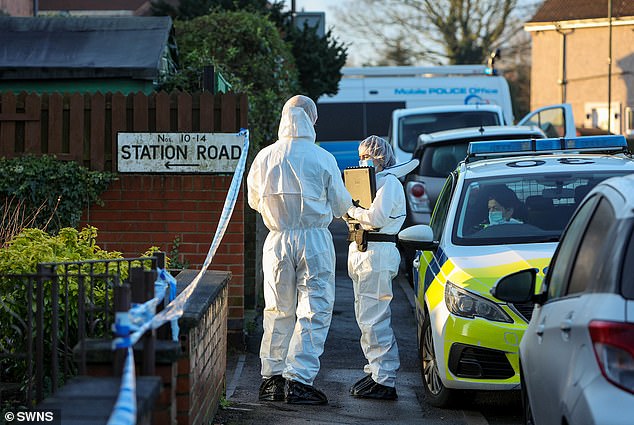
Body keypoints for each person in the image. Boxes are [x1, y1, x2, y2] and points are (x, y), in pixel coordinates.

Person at [246, 95, 352, 405]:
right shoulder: (322, 157)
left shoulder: (265, 157)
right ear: (310, 120)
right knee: (313, 309)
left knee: (277, 310)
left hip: (277, 238)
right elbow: (340, 204)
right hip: (313, 239)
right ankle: (300, 379)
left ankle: (272, 378)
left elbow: (254, 200)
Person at [345, 135, 402, 400]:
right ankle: (375, 370)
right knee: (365, 317)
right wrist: (353, 212)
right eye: (361, 156)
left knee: (375, 318)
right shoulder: (372, 183)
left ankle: (385, 378)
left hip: (377, 253)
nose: (363, 160)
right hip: (364, 251)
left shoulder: (389, 183)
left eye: (368, 156)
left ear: (380, 157)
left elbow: (376, 219)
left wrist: (353, 211)